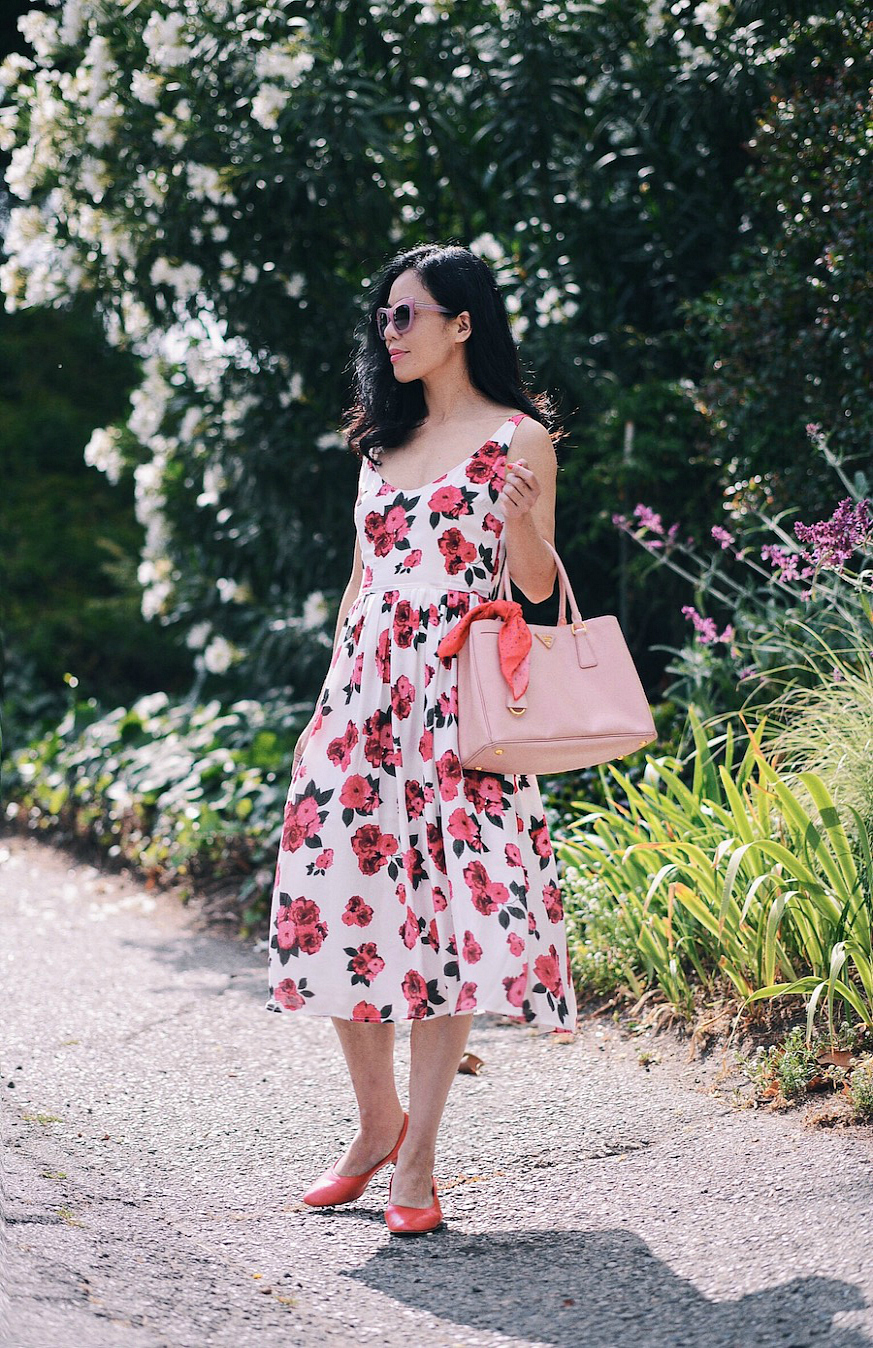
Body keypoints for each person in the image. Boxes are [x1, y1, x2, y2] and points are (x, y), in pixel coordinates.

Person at [265, 242, 578, 1235]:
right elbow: (360, 585)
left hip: (456, 703)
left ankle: (421, 1160)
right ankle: (374, 1125)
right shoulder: (376, 446)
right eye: (384, 317)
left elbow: (531, 587)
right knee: (338, 907)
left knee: (444, 925)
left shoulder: (520, 438)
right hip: (361, 701)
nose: (388, 332)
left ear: (462, 324)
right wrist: (326, 710)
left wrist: (524, 526)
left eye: (408, 315)